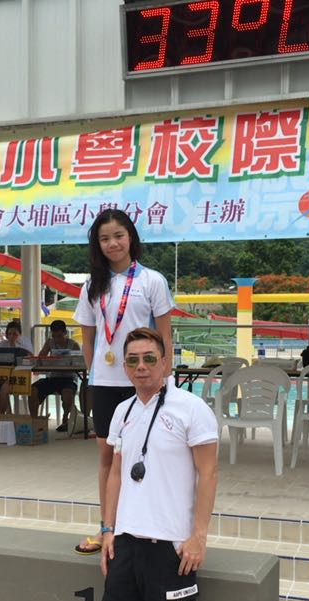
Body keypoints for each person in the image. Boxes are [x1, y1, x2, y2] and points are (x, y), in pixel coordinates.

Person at [86, 327, 218, 601]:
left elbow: (208, 474)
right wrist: (108, 529)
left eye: (148, 358)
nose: (141, 367)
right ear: (124, 367)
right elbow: (115, 472)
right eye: (133, 360)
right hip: (127, 540)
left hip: (171, 546)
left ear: (165, 362)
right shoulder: (123, 411)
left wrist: (198, 536)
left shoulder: (191, 409)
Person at [74, 209, 174, 554]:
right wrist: (94, 373)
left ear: (130, 237)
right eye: (104, 239)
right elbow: (88, 339)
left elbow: (165, 335)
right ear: (97, 245)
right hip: (105, 383)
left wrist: (163, 377)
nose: (112, 243)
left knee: (150, 454)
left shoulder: (152, 281)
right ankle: (108, 527)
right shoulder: (92, 286)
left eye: (118, 236)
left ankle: (150, 525)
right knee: (108, 457)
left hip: (143, 383)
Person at [29, 319, 81, 432]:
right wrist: (45, 357)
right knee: (33, 390)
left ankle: (65, 418)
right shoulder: (50, 343)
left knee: (68, 393)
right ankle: (34, 421)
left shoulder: (74, 345)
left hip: (68, 379)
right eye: (54, 336)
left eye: (59, 336)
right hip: (52, 378)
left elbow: (79, 363)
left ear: (65, 333)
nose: (57, 339)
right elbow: (40, 358)